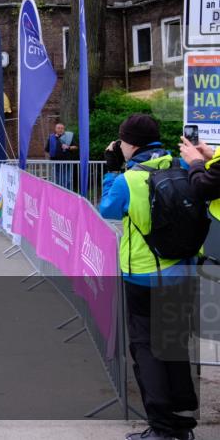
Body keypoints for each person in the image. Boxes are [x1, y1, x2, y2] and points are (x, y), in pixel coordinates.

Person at [100, 114, 198, 440]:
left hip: (142, 276)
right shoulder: (180, 166)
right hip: (181, 272)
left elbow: (108, 210)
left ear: (132, 143)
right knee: (173, 346)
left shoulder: (129, 178)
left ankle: (161, 428)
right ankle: (183, 425)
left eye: (122, 141)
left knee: (146, 350)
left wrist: (112, 168)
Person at [47, 122, 78, 190]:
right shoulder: (51, 137)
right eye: (58, 128)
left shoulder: (69, 136)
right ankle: (59, 195)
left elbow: (76, 147)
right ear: (55, 129)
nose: (60, 129)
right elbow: (47, 149)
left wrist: (68, 147)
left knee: (67, 180)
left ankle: (68, 195)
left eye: (62, 128)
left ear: (64, 129)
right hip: (56, 162)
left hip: (68, 162)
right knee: (57, 181)